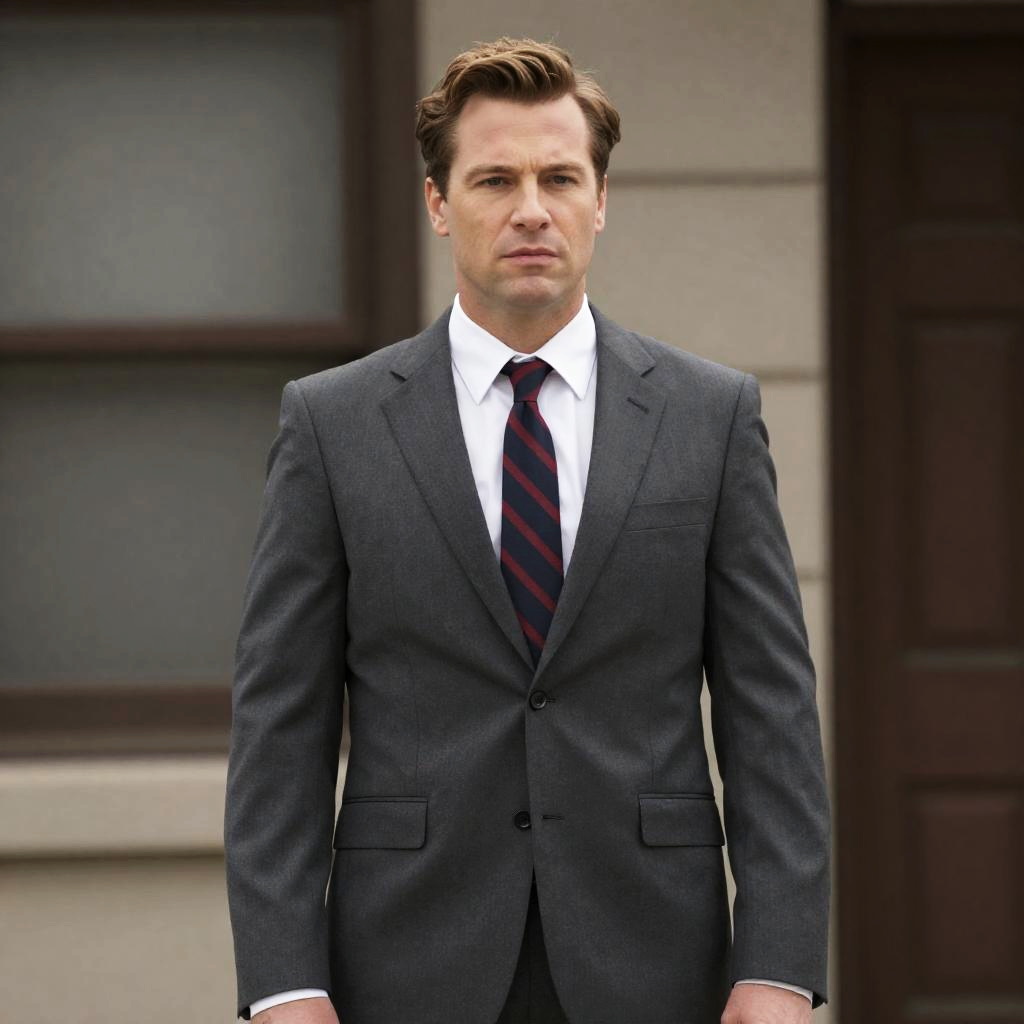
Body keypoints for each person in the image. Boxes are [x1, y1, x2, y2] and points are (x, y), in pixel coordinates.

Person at [225, 37, 830, 1024]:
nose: (531, 209)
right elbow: (278, 731)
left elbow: (770, 716)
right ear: (437, 203)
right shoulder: (330, 425)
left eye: (560, 176)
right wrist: (285, 987)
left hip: (657, 961)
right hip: (406, 963)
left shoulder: (710, 415)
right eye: (494, 179)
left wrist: (778, 968)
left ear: (601, 200)